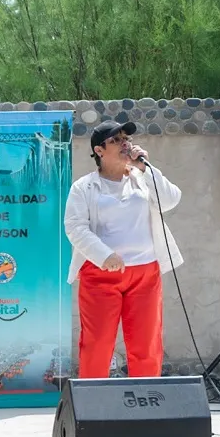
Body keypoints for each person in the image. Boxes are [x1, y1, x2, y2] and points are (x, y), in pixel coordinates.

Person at [63, 120, 184, 379]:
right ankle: (93, 409)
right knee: (97, 343)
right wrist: (104, 254)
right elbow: (74, 227)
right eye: (115, 140)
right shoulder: (83, 187)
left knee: (146, 343)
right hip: (100, 274)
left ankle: (147, 403)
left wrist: (146, 168)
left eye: (125, 138)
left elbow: (171, 199)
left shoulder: (142, 178)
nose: (124, 143)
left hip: (145, 272)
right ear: (99, 151)